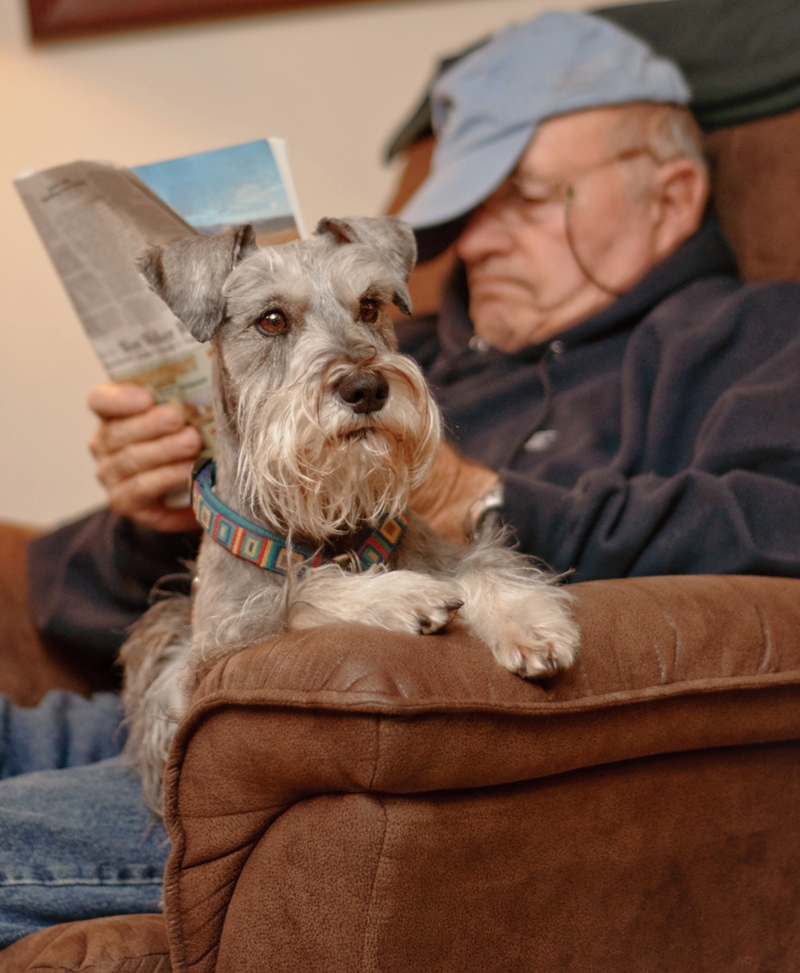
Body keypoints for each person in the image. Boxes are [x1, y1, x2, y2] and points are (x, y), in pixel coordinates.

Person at [5, 8, 800, 949]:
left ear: (669, 195)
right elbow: (70, 603)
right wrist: (152, 510)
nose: (483, 240)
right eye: (462, 208)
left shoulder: (747, 338)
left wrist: (480, 495)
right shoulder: (404, 340)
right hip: (169, 690)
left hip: (321, 756)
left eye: (530, 197)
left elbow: (775, 527)